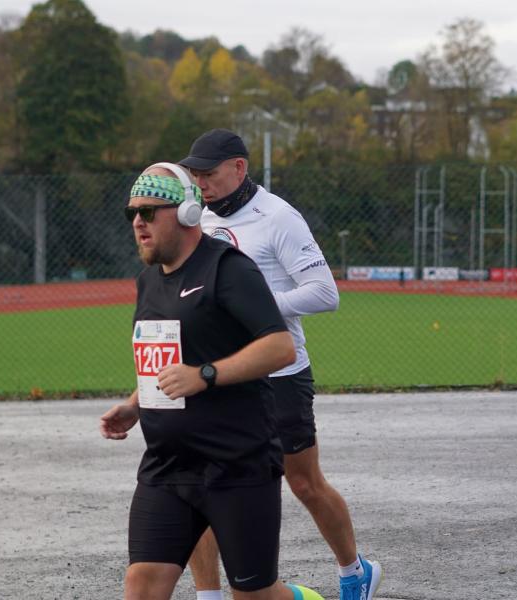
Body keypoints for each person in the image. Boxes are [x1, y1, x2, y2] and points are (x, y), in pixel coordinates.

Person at [99, 162, 324, 600]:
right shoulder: (148, 281)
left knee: (253, 594)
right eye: (132, 215)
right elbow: (168, 360)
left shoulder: (229, 269)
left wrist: (206, 375)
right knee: (141, 584)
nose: (138, 223)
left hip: (236, 464)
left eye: (149, 212)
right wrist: (135, 404)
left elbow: (281, 347)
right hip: (168, 466)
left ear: (186, 213)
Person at [178, 129, 383, 600]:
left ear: (239, 168)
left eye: (209, 173)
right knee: (197, 485)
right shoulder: (197, 218)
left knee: (304, 483)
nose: (201, 183)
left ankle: (355, 572)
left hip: (278, 376)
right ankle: (208, 595)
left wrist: (253, 304)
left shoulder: (278, 218)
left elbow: (325, 293)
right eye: (196, 174)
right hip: (215, 375)